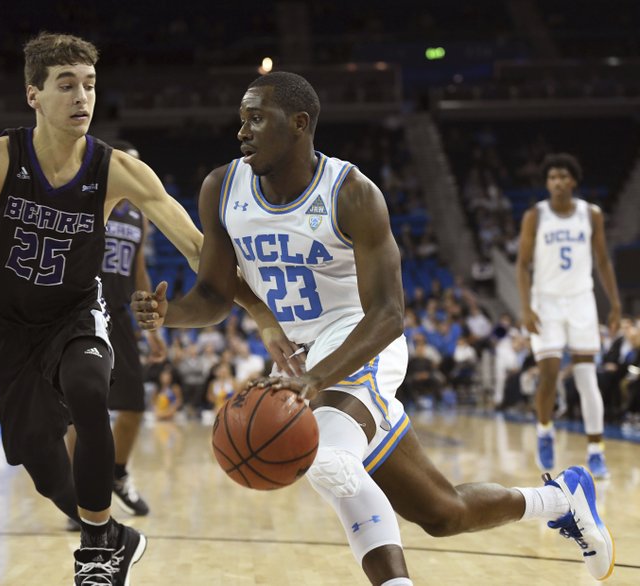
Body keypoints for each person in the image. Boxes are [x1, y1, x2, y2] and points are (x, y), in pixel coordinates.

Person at [132, 72, 615, 584]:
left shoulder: (352, 193)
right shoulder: (222, 187)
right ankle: (562, 497)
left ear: (299, 124)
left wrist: (314, 381)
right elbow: (213, 295)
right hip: (305, 357)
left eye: (256, 119)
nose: (242, 132)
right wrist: (171, 314)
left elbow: (389, 314)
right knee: (442, 513)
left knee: (327, 457)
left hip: (362, 342)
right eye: (241, 120)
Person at [0, 32, 296, 586]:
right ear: (34, 95)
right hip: (3, 329)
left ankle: (93, 554)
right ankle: (115, 536)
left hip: (75, 312)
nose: (81, 97)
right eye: (66, 85)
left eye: (89, 84)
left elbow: (195, 247)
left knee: (90, 389)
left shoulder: (117, 170)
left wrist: (260, 315)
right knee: (42, 468)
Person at [65, 139, 165, 521]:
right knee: (84, 411)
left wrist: (151, 327)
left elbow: (138, 269)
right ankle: (80, 493)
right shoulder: (85, 200)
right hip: (84, 310)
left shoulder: (138, 215)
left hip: (121, 314)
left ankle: (118, 475)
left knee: (134, 407)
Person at [516, 153, 622, 479]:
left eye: (563, 177)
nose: (558, 182)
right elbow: (522, 265)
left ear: (573, 181)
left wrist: (615, 304)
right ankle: (545, 429)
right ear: (547, 183)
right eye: (552, 178)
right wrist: (525, 307)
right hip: (545, 302)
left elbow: (602, 262)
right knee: (548, 373)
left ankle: (596, 450)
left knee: (587, 377)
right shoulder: (536, 215)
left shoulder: (591, 215)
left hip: (581, 301)